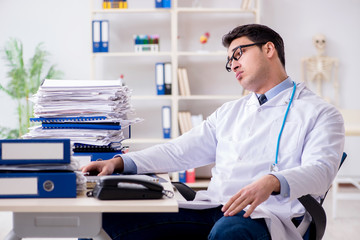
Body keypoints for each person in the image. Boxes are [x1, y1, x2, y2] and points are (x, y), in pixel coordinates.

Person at [81, 24, 345, 240]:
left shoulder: (320, 112)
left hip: (269, 215)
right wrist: (120, 162)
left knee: (230, 231)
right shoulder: (230, 111)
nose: (233, 65)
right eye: (229, 61)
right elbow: (179, 151)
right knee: (101, 215)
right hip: (214, 207)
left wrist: (273, 182)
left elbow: (321, 170)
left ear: (268, 49)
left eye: (238, 53)